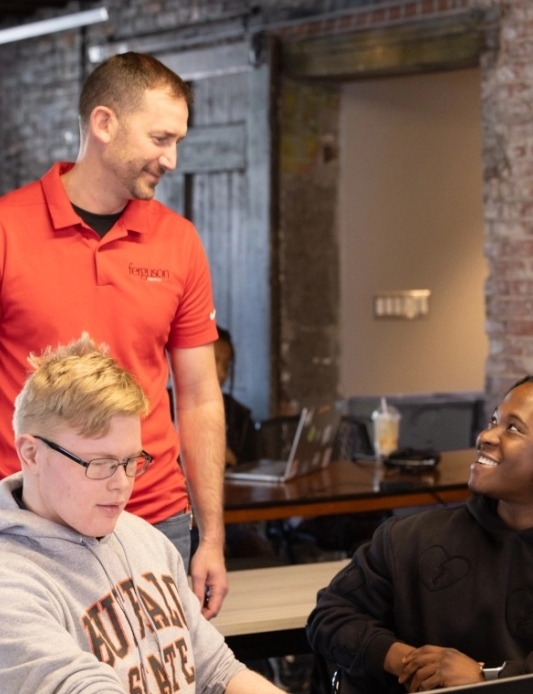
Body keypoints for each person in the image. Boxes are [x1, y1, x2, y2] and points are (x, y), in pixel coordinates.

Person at [0, 52, 227, 617]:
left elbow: (199, 397)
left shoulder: (178, 241)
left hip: (154, 519)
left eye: (178, 141)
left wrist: (214, 537)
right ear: (104, 124)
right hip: (29, 526)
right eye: (160, 138)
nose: (171, 159)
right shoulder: (7, 228)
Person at [0, 333, 285, 694]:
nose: (121, 484)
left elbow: (218, 670)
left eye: (131, 461)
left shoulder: (145, 539)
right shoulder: (10, 583)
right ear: (31, 454)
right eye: (100, 463)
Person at [307, 375, 533, 693]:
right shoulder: (411, 538)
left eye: (513, 428)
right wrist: (413, 663)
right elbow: (330, 617)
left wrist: (486, 676)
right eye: (493, 420)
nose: (486, 436)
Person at [214, 326, 257, 467]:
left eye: (226, 366)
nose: (221, 373)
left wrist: (234, 459)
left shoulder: (239, 415)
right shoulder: (163, 407)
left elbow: (254, 464)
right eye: (214, 361)